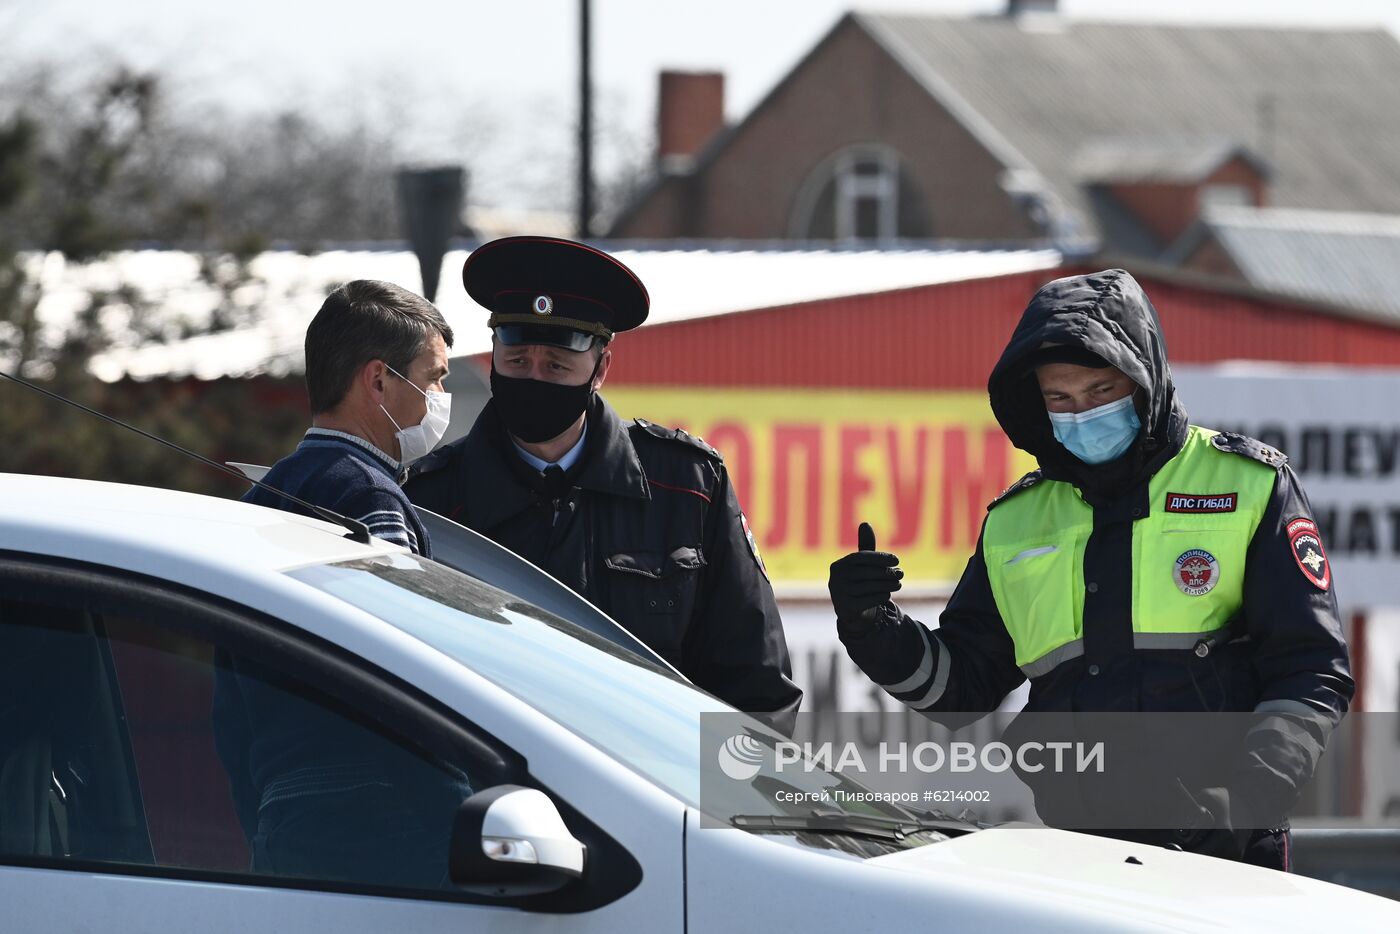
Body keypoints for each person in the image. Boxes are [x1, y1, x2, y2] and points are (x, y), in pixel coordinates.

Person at [828, 269, 1352, 870]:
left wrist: (1244, 807)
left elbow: (1312, 670)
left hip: (1226, 852)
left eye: (1102, 390)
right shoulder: (1015, 520)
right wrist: (873, 626)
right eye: (1060, 399)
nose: (1083, 412)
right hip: (1078, 854)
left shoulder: (1249, 484)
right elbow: (959, 691)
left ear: (1144, 378)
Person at [404, 236, 802, 733]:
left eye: (556, 365)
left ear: (601, 369)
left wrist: (710, 785)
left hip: (649, 776)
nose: (534, 378)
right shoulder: (431, 501)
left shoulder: (688, 487)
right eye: (517, 361)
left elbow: (757, 694)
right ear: (494, 355)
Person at [213, 279, 468, 887]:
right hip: (383, 821)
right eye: (433, 379)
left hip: (284, 816)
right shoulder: (370, 498)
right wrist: (454, 805)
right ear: (378, 381)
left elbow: (230, 702)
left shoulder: (262, 499)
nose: (440, 397)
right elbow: (404, 675)